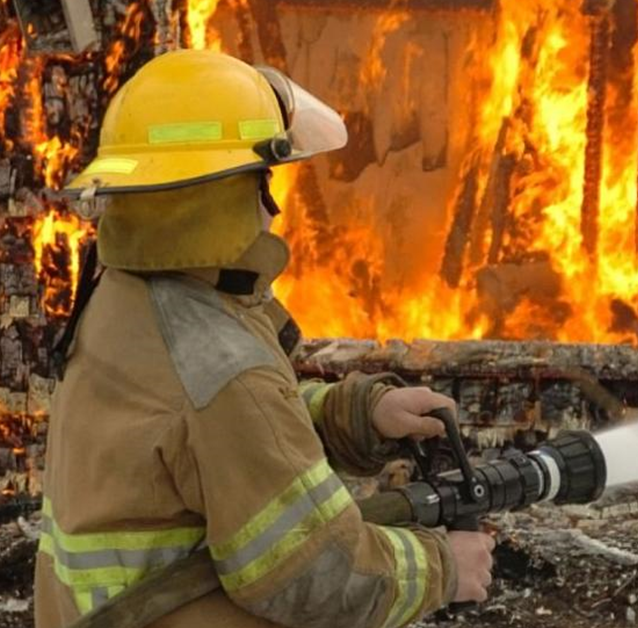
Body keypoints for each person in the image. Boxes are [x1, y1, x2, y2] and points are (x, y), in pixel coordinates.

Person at [34, 49, 495, 628]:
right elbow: (320, 576)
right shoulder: (219, 362)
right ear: (231, 193)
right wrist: (444, 568)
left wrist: (359, 414)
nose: (271, 206)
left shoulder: (129, 296)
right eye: (264, 180)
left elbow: (208, 436)